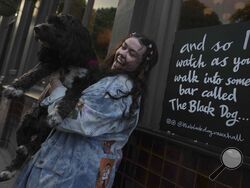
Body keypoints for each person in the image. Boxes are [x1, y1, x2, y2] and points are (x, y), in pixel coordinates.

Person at [13, 32, 158, 188]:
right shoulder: (108, 79)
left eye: (132, 54)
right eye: (124, 47)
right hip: (65, 172)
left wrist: (56, 86)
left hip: (69, 177)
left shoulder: (119, 89)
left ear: (141, 66)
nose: (122, 54)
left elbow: (73, 120)